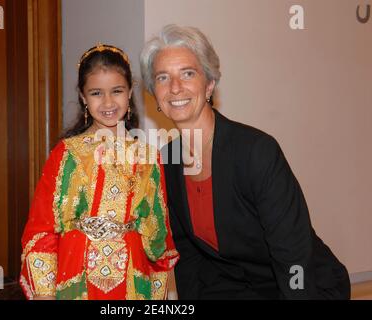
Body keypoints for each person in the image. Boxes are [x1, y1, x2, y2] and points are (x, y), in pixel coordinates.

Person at [140, 24, 350, 299]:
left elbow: (292, 253)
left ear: (209, 85)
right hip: (236, 290)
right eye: (163, 78)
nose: (175, 87)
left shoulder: (256, 151)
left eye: (188, 73)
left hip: (300, 287)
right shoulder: (166, 162)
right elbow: (188, 255)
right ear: (155, 93)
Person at [20, 44, 179, 300]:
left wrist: (163, 291)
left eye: (116, 91)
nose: (107, 102)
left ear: (129, 93)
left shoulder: (148, 156)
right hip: (75, 275)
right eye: (96, 93)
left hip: (132, 278)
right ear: (83, 97)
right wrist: (44, 292)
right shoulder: (66, 154)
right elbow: (42, 228)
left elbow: (158, 234)